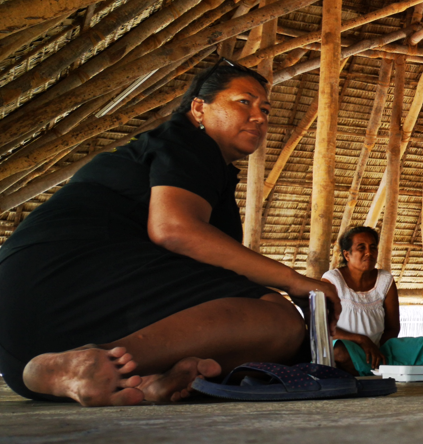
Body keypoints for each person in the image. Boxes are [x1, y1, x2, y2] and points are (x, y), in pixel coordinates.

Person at [0, 56, 342, 406]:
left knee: (272, 337)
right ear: (198, 108)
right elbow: (174, 230)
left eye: (266, 110)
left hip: (21, 337)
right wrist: (293, 280)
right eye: (244, 102)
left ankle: (140, 379)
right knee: (277, 321)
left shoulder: (206, 172)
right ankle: (98, 360)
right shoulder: (187, 142)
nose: (259, 116)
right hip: (60, 275)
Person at [325, 226, 423, 375]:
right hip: (347, 346)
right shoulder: (332, 280)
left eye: (373, 247)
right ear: (347, 255)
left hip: (379, 348)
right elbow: (324, 327)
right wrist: (361, 340)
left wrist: (376, 351)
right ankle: (384, 370)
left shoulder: (385, 280)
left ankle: (375, 367)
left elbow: (392, 328)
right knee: (338, 351)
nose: (369, 252)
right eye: (361, 248)